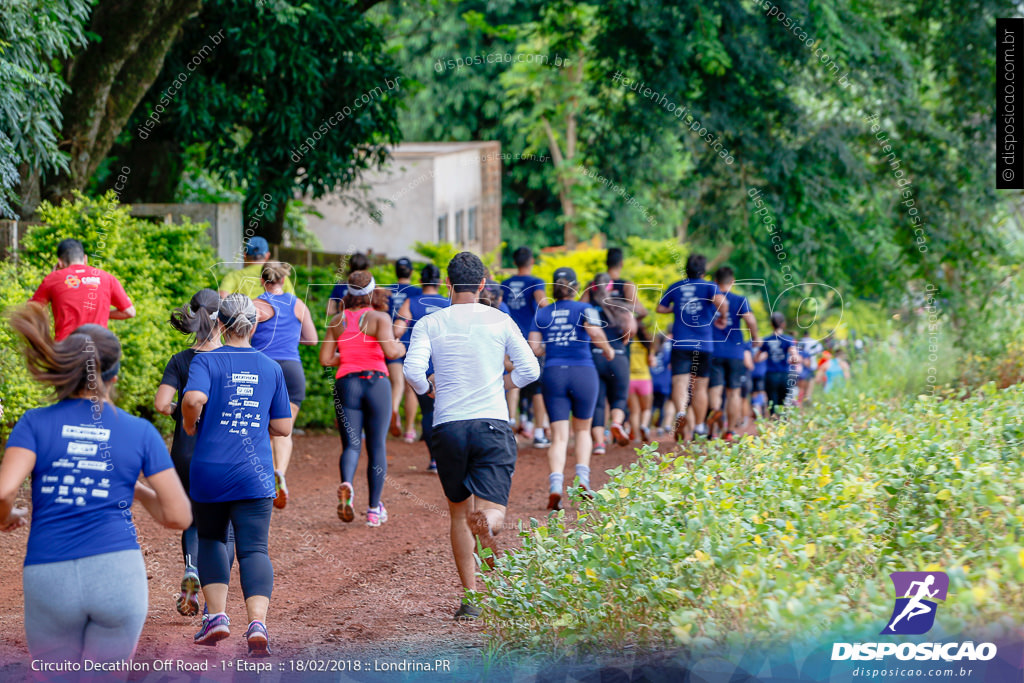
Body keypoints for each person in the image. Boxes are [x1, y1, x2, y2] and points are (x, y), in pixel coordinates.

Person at [0, 305, 191, 667]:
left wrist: (7, 515)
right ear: (115, 377)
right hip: (117, 574)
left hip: (48, 573)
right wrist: (130, 488)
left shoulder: (34, 423)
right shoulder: (139, 431)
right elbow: (179, 516)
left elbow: (3, 492)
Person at [404, 252, 540, 620]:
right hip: (492, 423)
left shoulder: (430, 323)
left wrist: (428, 389)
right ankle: (489, 524)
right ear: (482, 284)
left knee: (457, 513)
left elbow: (412, 370)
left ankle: (470, 599)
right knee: (491, 511)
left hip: (447, 427)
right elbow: (530, 369)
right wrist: (503, 382)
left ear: (449, 284)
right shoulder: (500, 320)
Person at [182, 294, 292, 655]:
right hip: (254, 472)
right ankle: (257, 624)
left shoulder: (207, 361)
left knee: (212, 539)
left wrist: (190, 423)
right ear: (254, 325)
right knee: (255, 548)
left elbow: (194, 398)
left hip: (210, 469)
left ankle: (217, 618)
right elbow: (283, 426)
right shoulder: (271, 367)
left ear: (220, 324)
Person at [155, 288, 224, 617]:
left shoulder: (181, 360)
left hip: (184, 451)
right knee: (225, 526)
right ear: (221, 320)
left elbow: (160, 403)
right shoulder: (230, 359)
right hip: (222, 452)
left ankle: (191, 569)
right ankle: (214, 601)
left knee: (192, 519)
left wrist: (177, 411)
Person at [321, 271, 405, 526]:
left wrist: (348, 358)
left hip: (347, 383)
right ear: (372, 291)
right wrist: (401, 345)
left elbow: (325, 359)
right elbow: (391, 351)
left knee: (351, 445)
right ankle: (372, 510)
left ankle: (346, 483)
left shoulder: (337, 319)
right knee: (377, 446)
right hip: (375, 382)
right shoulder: (379, 317)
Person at [528, 267, 614, 511]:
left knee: (559, 436)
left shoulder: (542, 313)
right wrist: (608, 351)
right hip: (583, 372)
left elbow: (534, 348)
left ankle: (555, 486)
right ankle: (583, 481)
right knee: (583, 430)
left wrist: (551, 347)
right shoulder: (585, 309)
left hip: (554, 374)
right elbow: (595, 332)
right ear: (576, 288)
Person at [250, 262, 318, 509]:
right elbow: (311, 339)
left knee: (262, 428)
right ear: (283, 280)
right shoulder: (298, 304)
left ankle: (264, 480)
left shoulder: (256, 305)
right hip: (292, 369)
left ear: (262, 280)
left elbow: (244, 337)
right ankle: (280, 473)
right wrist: (290, 336)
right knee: (284, 428)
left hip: (263, 368)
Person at [656, 253, 727, 441]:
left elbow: (659, 308)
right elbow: (722, 302)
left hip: (680, 342)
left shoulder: (676, 286)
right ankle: (700, 426)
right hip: (703, 344)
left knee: (680, 382)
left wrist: (676, 308)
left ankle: (680, 412)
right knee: (700, 388)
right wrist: (724, 317)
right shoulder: (710, 286)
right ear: (703, 271)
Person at [29, 238, 136, 341]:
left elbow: (30, 310)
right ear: (85, 259)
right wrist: (98, 312)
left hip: (67, 349)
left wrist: (53, 277)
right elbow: (129, 312)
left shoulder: (53, 279)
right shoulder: (106, 278)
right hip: (99, 348)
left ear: (60, 262)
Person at [394, 264, 450, 450]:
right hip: (445, 362)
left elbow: (398, 329)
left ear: (420, 281)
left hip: (421, 361)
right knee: (446, 410)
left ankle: (431, 455)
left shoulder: (411, 301)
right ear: (440, 282)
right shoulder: (448, 303)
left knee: (426, 411)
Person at [501, 246, 551, 448]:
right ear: (531, 262)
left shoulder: (505, 284)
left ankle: (510, 427)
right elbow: (543, 303)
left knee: (512, 383)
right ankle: (539, 433)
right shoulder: (535, 282)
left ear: (514, 263)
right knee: (537, 388)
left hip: (509, 338)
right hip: (531, 340)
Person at [707, 267, 760, 441]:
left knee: (715, 388)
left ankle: (713, 428)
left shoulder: (710, 299)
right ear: (733, 281)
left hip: (713, 349)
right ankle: (730, 431)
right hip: (735, 351)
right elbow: (750, 320)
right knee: (734, 392)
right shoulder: (739, 299)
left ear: (715, 281)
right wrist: (755, 338)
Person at [587, 272, 635, 452]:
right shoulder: (620, 306)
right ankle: (616, 422)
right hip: (619, 356)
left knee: (598, 403)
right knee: (620, 398)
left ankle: (599, 443)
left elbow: (590, 330)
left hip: (596, 357)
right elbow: (631, 329)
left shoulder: (590, 308)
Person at [386, 257, 422, 437]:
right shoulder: (417, 292)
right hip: (412, 342)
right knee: (411, 387)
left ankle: (393, 413)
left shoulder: (386, 292)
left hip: (391, 341)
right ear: (412, 272)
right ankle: (409, 430)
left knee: (396, 384)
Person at [581, 247, 649, 319]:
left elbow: (580, 307)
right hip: (619, 328)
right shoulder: (626, 286)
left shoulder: (592, 285)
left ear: (606, 263)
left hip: (596, 327)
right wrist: (633, 324)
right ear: (621, 263)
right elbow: (642, 312)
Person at [756, 312, 802, 416]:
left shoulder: (766, 340)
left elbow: (756, 358)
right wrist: (794, 359)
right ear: (783, 324)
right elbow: (795, 356)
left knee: (772, 403)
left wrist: (768, 355)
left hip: (770, 376)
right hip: (784, 375)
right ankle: (783, 427)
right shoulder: (788, 339)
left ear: (771, 325)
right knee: (784, 404)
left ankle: (773, 426)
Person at [219, 237, 295, 299]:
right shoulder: (278, 274)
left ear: (245, 255)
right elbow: (292, 301)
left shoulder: (233, 276)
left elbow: (222, 297)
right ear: (267, 255)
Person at [627, 331, 655, 444]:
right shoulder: (646, 344)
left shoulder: (628, 343)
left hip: (630, 379)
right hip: (644, 379)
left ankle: (637, 437)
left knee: (634, 411)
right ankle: (644, 425)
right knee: (647, 409)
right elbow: (651, 362)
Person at [326, 252, 370, 319]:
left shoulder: (340, 285)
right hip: (363, 325)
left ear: (349, 266)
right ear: (366, 268)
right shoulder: (370, 287)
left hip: (343, 324)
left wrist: (342, 309)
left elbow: (329, 311)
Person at [650, 332, 675, 435]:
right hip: (664, 383)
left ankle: (646, 426)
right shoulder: (666, 350)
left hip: (651, 382)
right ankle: (660, 427)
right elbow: (670, 364)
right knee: (661, 406)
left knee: (652, 406)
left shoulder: (652, 350)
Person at [797, 333, 824, 404]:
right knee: (807, 385)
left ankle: (802, 401)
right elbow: (808, 363)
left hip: (796, 373)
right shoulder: (807, 351)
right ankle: (807, 397)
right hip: (806, 372)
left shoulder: (796, 350)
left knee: (800, 389)